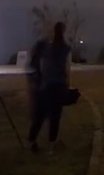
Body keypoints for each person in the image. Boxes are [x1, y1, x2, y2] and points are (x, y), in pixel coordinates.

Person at [28, 21, 73, 153]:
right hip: (58, 86)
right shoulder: (66, 49)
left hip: (45, 85)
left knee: (40, 114)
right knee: (55, 116)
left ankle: (32, 141)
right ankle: (51, 144)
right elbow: (67, 69)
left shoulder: (46, 48)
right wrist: (67, 86)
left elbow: (38, 63)